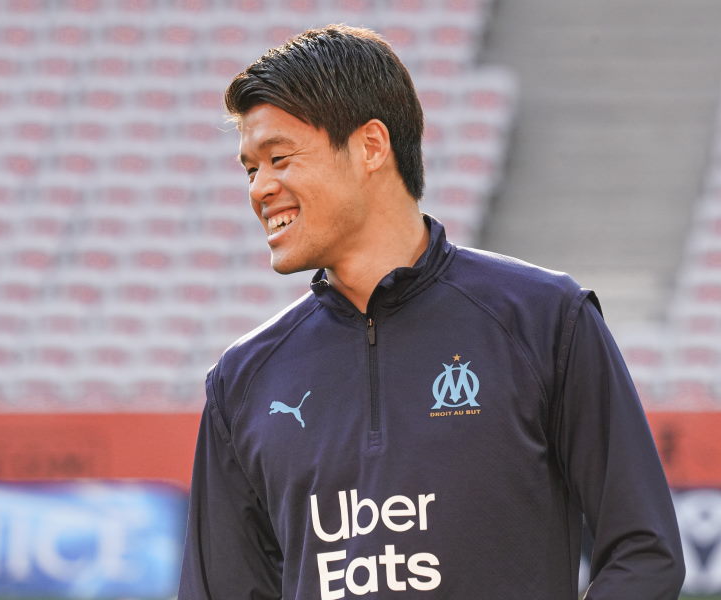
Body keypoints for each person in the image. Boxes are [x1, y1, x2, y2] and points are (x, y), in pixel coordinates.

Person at [179, 24, 684, 600]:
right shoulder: (242, 381)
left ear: (371, 146)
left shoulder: (545, 320)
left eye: (279, 158)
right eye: (251, 169)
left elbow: (645, 552)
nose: (259, 188)